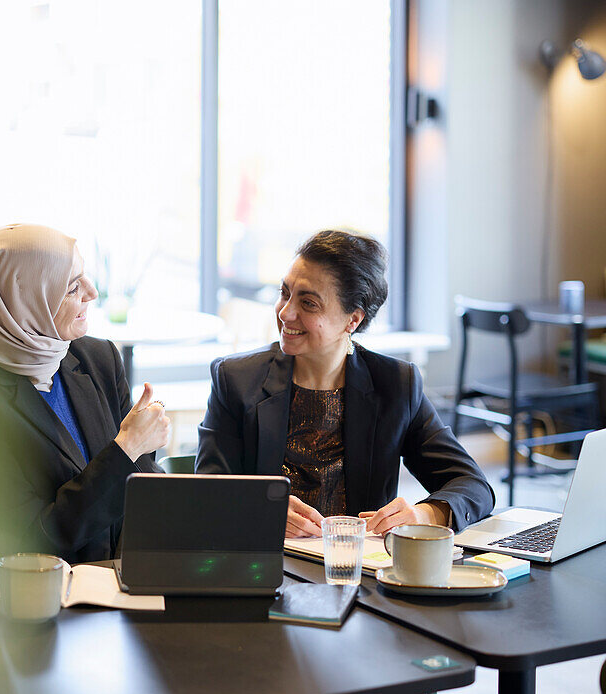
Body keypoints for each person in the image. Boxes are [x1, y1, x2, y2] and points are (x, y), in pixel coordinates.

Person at [197, 229, 494, 538]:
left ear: (353, 320)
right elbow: (206, 490)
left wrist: (423, 514)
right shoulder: (236, 379)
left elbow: (473, 485)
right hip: (264, 564)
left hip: (357, 572)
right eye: (285, 293)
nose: (286, 313)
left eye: (308, 303)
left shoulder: (395, 384)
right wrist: (259, 508)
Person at [0, 223, 170, 564]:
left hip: (123, 578)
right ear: (22, 302)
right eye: (72, 287)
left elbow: (141, 488)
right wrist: (128, 446)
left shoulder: (98, 358)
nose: (92, 293)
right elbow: (33, 537)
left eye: (84, 278)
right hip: (35, 597)